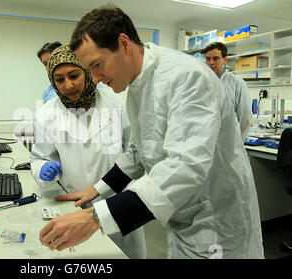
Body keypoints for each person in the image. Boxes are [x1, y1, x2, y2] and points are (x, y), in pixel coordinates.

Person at [39, 5, 264, 259]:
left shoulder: (187, 77)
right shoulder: (136, 84)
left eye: (97, 65)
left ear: (123, 43)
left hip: (217, 222)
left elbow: (185, 166)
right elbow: (138, 151)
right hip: (182, 217)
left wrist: (95, 218)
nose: (96, 78)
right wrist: (97, 189)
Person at [31, 45, 147, 259]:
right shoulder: (45, 115)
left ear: (86, 72)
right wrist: (43, 170)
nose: (68, 85)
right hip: (73, 207)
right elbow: (40, 157)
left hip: (117, 202)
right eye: (59, 79)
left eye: (74, 75)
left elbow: (137, 155)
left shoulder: (117, 104)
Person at [204, 42, 253, 139]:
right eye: (208, 59)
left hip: (229, 141)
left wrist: (237, 142)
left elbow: (245, 117)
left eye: (216, 58)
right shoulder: (201, 82)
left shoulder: (237, 83)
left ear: (225, 60)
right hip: (205, 141)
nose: (211, 62)